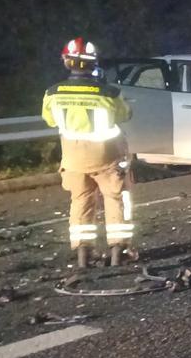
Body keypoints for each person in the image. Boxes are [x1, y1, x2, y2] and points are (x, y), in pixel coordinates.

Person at [41, 38, 134, 268]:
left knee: (80, 202)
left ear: (66, 61)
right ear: (94, 63)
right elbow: (125, 115)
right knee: (115, 200)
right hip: (107, 157)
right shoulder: (109, 92)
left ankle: (84, 255)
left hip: (73, 159)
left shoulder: (53, 93)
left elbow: (50, 119)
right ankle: (118, 251)